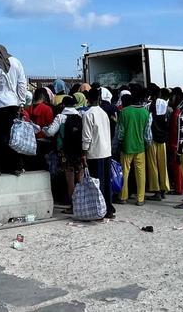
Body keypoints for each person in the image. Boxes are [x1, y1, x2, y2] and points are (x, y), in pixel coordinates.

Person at [0, 45, 30, 176]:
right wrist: (21, 102)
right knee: (14, 136)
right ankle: (17, 167)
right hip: (13, 104)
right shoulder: (16, 62)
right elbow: (22, 84)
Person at [81, 85, 115, 220]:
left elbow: (86, 137)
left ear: (88, 99)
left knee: (96, 183)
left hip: (94, 153)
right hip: (106, 151)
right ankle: (108, 208)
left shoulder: (88, 114)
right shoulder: (103, 113)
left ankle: (99, 210)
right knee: (106, 182)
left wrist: (84, 153)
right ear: (100, 99)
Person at [115, 91, 150, 206]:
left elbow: (120, 132)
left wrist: (117, 145)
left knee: (124, 172)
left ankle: (123, 197)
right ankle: (140, 198)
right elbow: (147, 133)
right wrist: (147, 144)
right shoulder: (145, 112)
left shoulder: (124, 112)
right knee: (140, 173)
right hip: (140, 147)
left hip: (126, 147)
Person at [44, 96, 81, 206]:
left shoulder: (60, 117)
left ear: (63, 105)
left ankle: (72, 205)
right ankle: (80, 203)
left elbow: (50, 132)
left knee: (70, 180)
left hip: (65, 152)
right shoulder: (80, 115)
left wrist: (44, 129)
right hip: (79, 151)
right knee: (80, 178)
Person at [146, 87, 171, 201]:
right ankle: (164, 189)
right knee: (163, 164)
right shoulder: (165, 105)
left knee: (153, 165)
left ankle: (156, 191)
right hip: (163, 139)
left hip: (152, 139)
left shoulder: (149, 106)